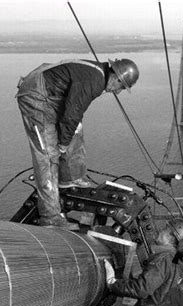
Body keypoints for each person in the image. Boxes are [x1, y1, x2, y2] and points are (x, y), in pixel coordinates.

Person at [16, 58, 139, 227]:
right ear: (117, 78)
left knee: (75, 129)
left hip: (50, 95)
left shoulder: (98, 74)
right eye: (122, 87)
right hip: (36, 97)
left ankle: (70, 179)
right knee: (48, 156)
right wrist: (62, 144)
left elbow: (74, 113)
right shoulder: (94, 81)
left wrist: (67, 139)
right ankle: (50, 216)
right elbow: (72, 113)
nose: (118, 92)